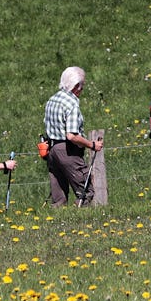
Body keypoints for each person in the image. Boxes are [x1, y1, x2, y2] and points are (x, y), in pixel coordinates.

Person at [43, 66, 103, 207]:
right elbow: (71, 136)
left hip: (51, 150)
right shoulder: (71, 104)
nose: (82, 91)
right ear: (76, 86)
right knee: (85, 192)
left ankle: (57, 222)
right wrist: (92, 145)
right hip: (67, 151)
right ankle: (82, 221)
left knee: (59, 198)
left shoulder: (52, 99)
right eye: (82, 87)